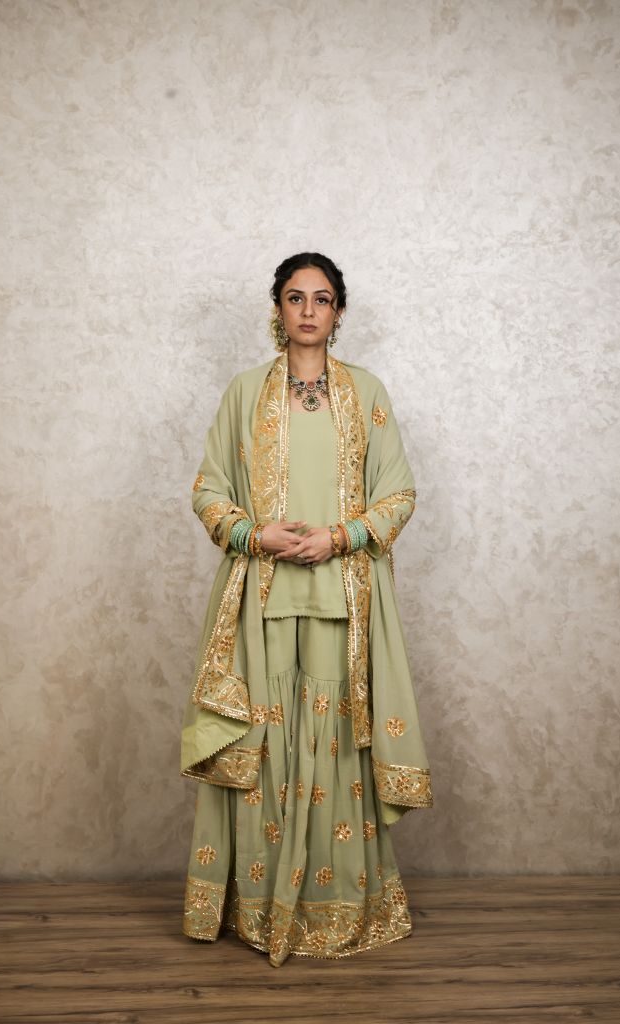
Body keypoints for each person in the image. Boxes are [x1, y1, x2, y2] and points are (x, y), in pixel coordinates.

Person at [180, 252, 433, 967]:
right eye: (296, 298)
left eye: (322, 299)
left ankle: (336, 904)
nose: (309, 311)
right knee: (261, 749)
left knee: (335, 746)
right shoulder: (243, 393)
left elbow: (399, 495)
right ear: (278, 309)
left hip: (343, 600)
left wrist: (339, 537)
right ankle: (256, 909)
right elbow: (208, 491)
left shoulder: (366, 393)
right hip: (259, 600)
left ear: (338, 311)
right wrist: (252, 534)